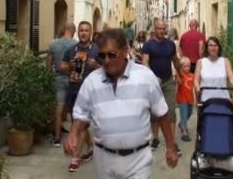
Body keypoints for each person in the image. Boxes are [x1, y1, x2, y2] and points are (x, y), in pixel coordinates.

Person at [65, 29, 178, 178]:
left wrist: (170, 147)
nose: (106, 60)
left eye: (111, 55)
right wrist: (73, 133)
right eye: (102, 55)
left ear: (125, 52)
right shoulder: (92, 81)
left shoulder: (145, 77)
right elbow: (81, 114)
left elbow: (162, 113)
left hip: (138, 160)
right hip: (104, 160)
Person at [61, 21, 100, 172]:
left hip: (90, 93)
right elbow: (61, 66)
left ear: (90, 33)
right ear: (78, 32)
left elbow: (107, 68)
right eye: (81, 30)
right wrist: (69, 66)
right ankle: (90, 147)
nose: (84, 33)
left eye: (86, 31)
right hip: (73, 90)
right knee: (77, 123)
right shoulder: (71, 50)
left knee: (81, 124)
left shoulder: (97, 50)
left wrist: (95, 65)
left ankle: (75, 157)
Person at [142, 20, 182, 155]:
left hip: (168, 81)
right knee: (155, 113)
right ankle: (155, 138)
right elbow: (145, 62)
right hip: (154, 83)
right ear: (155, 29)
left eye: (163, 29)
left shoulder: (170, 45)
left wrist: (181, 74)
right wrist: (152, 78)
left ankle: (172, 142)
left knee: (171, 111)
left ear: (165, 30)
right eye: (159, 28)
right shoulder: (148, 45)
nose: (161, 31)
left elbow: (175, 60)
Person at [46, 23, 77, 147]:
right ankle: (74, 137)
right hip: (72, 78)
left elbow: (48, 65)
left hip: (58, 78)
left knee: (59, 109)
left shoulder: (53, 44)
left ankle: (57, 138)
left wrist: (49, 78)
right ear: (73, 31)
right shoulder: (75, 45)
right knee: (75, 109)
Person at [194, 36, 233, 102]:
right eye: (210, 45)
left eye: (215, 45)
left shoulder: (225, 61)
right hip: (206, 100)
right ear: (207, 48)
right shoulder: (201, 62)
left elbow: (231, 77)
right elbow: (196, 79)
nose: (213, 48)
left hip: (223, 100)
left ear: (219, 47)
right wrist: (197, 88)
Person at [176, 57, 195, 142]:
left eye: (188, 66)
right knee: (183, 115)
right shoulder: (180, 76)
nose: (187, 68)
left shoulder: (192, 75)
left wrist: (195, 98)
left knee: (189, 112)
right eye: (185, 66)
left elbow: (193, 88)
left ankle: (181, 124)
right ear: (181, 67)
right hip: (182, 98)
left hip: (190, 98)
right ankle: (184, 132)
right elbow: (177, 84)